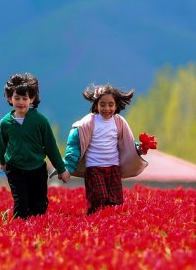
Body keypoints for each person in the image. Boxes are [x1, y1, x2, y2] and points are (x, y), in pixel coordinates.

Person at [63, 83, 148, 215]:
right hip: (94, 168)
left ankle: (109, 227)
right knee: (99, 198)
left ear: (116, 105)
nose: (106, 108)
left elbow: (128, 143)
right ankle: (95, 223)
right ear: (96, 105)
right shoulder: (89, 122)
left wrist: (139, 148)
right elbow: (74, 145)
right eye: (102, 104)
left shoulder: (118, 122)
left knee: (116, 201)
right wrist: (68, 167)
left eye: (110, 104)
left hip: (113, 168)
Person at [0, 73, 67, 219]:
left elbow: (51, 147)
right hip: (15, 168)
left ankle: (36, 233)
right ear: (10, 98)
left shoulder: (40, 121)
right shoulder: (5, 123)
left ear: (32, 99)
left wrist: (61, 169)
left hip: (37, 169)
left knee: (39, 205)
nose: (21, 102)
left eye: (25, 98)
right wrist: (2, 162)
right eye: (17, 98)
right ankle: (18, 232)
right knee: (21, 203)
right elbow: (3, 143)